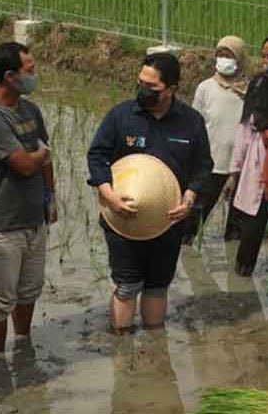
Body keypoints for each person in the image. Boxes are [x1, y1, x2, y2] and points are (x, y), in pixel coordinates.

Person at [86, 51, 213, 331]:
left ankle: (155, 349)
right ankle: (122, 345)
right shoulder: (121, 116)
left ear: (171, 89)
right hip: (122, 217)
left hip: (169, 220)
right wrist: (108, 194)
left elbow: (203, 167)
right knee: (127, 283)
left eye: (151, 87)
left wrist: (189, 197)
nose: (143, 90)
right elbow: (97, 156)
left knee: (158, 285)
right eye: (141, 82)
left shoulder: (190, 121)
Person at [0, 42, 56, 353]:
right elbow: (23, 165)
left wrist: (51, 196)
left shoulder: (30, 110)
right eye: (30, 70)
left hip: (35, 218)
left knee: (29, 291)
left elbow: (45, 157)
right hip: (3, 225)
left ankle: (23, 345)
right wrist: (38, 156)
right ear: (9, 76)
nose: (35, 75)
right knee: (0, 300)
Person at [225, 35, 268, 276]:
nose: (265, 61)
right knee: (255, 216)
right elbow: (245, 126)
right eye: (263, 55)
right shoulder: (258, 83)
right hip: (259, 155)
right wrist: (236, 169)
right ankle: (243, 271)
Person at [185, 35, 248, 245]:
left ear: (240, 59)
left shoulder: (250, 91)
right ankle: (185, 249)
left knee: (237, 223)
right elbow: (195, 124)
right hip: (212, 163)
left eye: (229, 55)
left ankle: (233, 262)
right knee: (196, 214)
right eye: (220, 55)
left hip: (241, 166)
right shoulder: (206, 88)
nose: (224, 60)